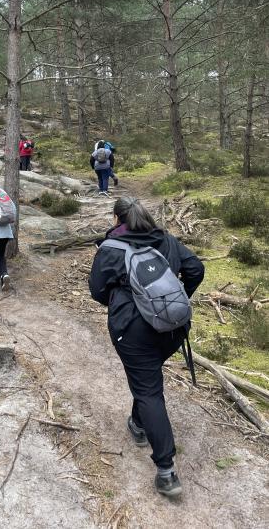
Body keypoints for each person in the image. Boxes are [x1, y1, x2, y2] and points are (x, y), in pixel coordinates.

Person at [89, 197, 204, 497]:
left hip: (134, 333)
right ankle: (138, 423)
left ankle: (166, 472)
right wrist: (175, 304)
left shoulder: (111, 249)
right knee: (147, 381)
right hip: (174, 329)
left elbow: (97, 291)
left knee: (149, 390)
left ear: (117, 218)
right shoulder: (165, 238)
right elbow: (196, 269)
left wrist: (121, 302)